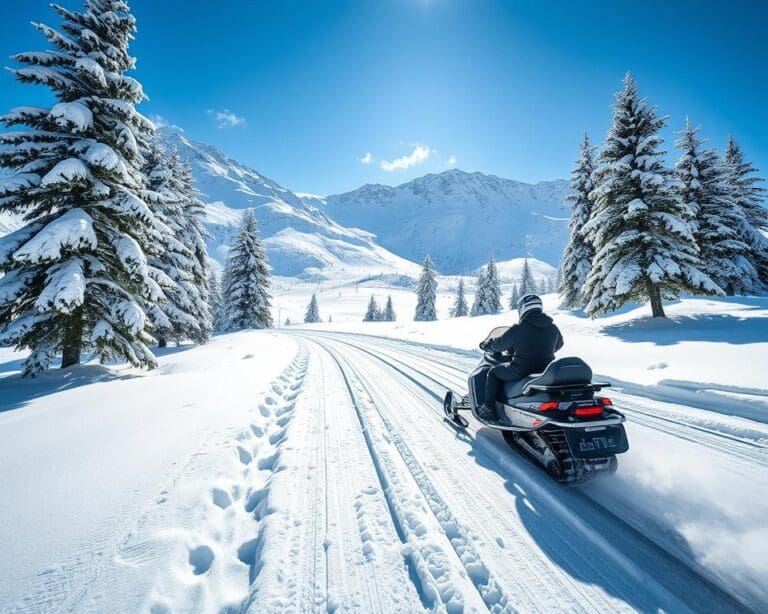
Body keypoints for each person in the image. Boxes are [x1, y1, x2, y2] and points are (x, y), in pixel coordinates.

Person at [479, 294, 564, 420]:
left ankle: (488, 409)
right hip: (546, 371)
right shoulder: (553, 328)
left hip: (521, 370)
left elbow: (499, 345)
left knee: (493, 373)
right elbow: (559, 344)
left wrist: (489, 345)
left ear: (523, 308)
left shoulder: (519, 328)